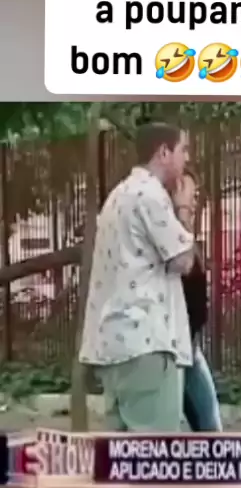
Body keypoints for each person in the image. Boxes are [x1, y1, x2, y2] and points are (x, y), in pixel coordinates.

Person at [79, 122, 195, 432]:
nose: (187, 158)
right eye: (183, 150)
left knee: (122, 454)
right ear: (163, 153)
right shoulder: (151, 196)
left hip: (115, 344)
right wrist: (184, 208)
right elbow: (184, 260)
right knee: (156, 452)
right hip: (146, 343)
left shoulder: (119, 194)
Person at [171, 167, 223, 432]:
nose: (193, 201)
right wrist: (182, 214)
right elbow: (183, 266)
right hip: (175, 351)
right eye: (189, 193)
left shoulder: (186, 232)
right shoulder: (169, 233)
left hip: (189, 347)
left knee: (210, 427)